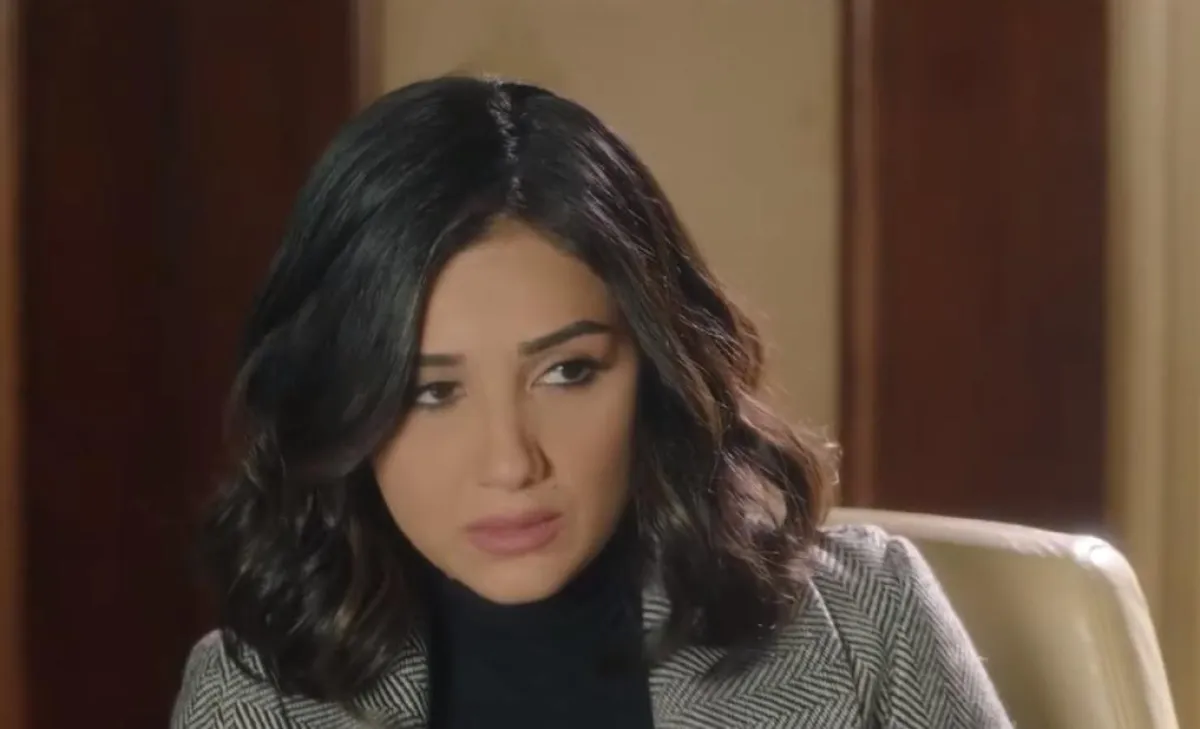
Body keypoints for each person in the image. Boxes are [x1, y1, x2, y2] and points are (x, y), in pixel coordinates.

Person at [171, 76, 1012, 729]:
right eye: (432, 391)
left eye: (568, 372)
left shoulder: (864, 623)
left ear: (655, 364)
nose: (511, 462)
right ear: (342, 405)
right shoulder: (254, 701)